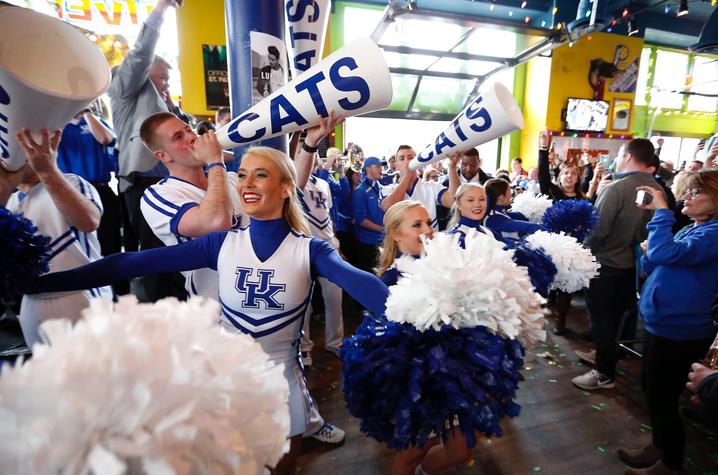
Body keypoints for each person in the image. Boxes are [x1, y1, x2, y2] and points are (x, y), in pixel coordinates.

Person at [28, 146, 389, 475]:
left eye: (260, 175)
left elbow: (363, 284)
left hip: (282, 387)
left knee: (280, 470)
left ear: (285, 188)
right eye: (243, 174)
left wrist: (415, 315)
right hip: (224, 384)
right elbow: (130, 263)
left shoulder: (310, 250)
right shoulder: (221, 243)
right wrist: (43, 284)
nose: (247, 183)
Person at [618, 171, 718, 475]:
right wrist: (650, 251)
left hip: (681, 331)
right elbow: (655, 259)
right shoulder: (693, 228)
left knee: (663, 395)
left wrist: (661, 211)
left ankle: (671, 462)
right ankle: (660, 444)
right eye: (687, 191)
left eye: (695, 192)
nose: (686, 196)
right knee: (651, 387)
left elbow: (665, 253)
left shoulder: (713, 234)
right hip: (661, 324)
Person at [375, 201, 473, 475]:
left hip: (453, 375)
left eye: (429, 222)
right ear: (395, 234)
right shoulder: (390, 281)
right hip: (419, 383)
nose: (428, 230)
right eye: (416, 225)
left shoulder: (445, 265)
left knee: (461, 451)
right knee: (412, 453)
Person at [1, 129, 112, 347]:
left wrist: (47, 170)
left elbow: (89, 221)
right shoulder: (10, 201)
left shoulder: (72, 182)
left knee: (93, 373)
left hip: (79, 295)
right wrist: (6, 187)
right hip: (31, 301)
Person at [108, 0, 188, 302]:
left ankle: (178, 310)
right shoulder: (125, 88)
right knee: (153, 254)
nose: (166, 83)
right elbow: (140, 53)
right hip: (141, 181)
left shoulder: (164, 107)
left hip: (168, 179)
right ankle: (155, 317)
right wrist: (161, 10)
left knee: (174, 250)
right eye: (162, 77)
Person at [572, 139, 664, 391]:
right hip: (634, 267)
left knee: (602, 321)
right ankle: (607, 360)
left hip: (606, 264)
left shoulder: (617, 188)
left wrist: (579, 256)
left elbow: (598, 231)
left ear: (626, 156)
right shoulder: (658, 189)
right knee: (616, 319)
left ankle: (603, 373)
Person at [56, 108, 124, 295]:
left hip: (99, 188)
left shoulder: (94, 121)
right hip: (68, 190)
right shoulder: (58, 122)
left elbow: (106, 139)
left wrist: (87, 111)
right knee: (75, 245)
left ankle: (117, 290)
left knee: (110, 242)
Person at [379, 145, 460, 230]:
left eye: (410, 158)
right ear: (396, 165)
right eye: (402, 159)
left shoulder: (432, 186)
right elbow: (388, 207)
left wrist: (452, 168)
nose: (407, 161)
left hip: (429, 240)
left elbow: (454, 202)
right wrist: (407, 177)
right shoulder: (388, 189)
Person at [351, 157, 386, 273]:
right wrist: (384, 229)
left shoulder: (381, 188)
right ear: (368, 169)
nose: (381, 169)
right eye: (378, 166)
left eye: (381, 166)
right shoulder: (360, 191)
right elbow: (361, 220)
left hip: (381, 241)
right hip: (367, 243)